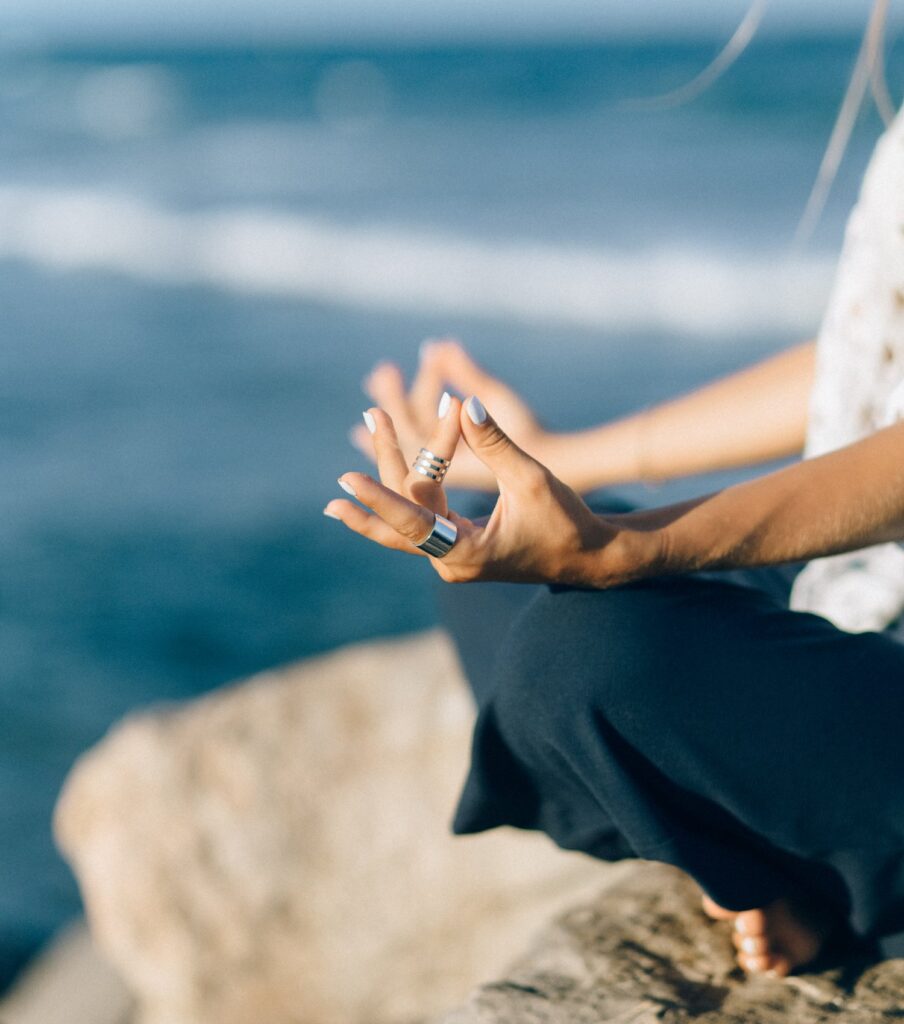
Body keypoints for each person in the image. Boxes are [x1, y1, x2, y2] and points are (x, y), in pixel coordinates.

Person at [324, 75, 904, 984]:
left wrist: (639, 547)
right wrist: (578, 461)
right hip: (867, 593)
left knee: (586, 656)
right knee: (504, 589)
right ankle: (768, 856)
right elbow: (871, 345)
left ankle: (779, 857)